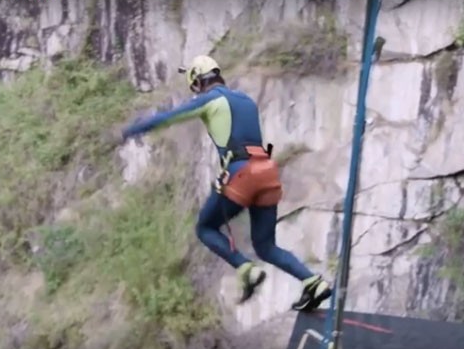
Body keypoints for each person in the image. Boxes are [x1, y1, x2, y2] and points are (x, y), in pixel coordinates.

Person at [118, 55, 332, 310]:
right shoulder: (246, 100)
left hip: (242, 174)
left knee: (205, 228)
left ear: (197, 81)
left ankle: (245, 268)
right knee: (265, 246)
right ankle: (313, 282)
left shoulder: (210, 100)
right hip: (267, 171)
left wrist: (131, 130)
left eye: (194, 84)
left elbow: (168, 118)